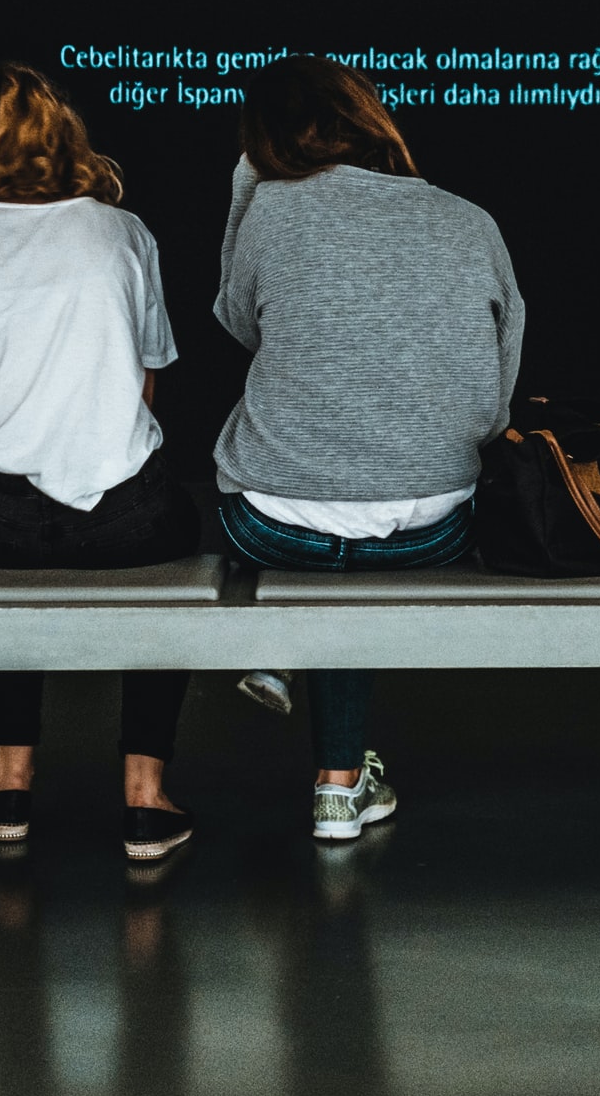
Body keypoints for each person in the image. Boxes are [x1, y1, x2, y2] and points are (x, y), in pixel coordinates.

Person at [0, 62, 203, 861]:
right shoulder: (122, 231)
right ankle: (145, 795)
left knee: (2, 573)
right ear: (63, 136)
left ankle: (11, 779)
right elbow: (148, 374)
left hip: (1, 513)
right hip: (130, 512)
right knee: (176, 551)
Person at [211, 54, 524, 840]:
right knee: (351, 540)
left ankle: (283, 652)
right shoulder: (470, 219)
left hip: (274, 525)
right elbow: (495, 402)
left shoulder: (271, 211)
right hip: (435, 527)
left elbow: (237, 323)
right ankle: (338, 786)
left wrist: (249, 187)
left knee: (290, 510)